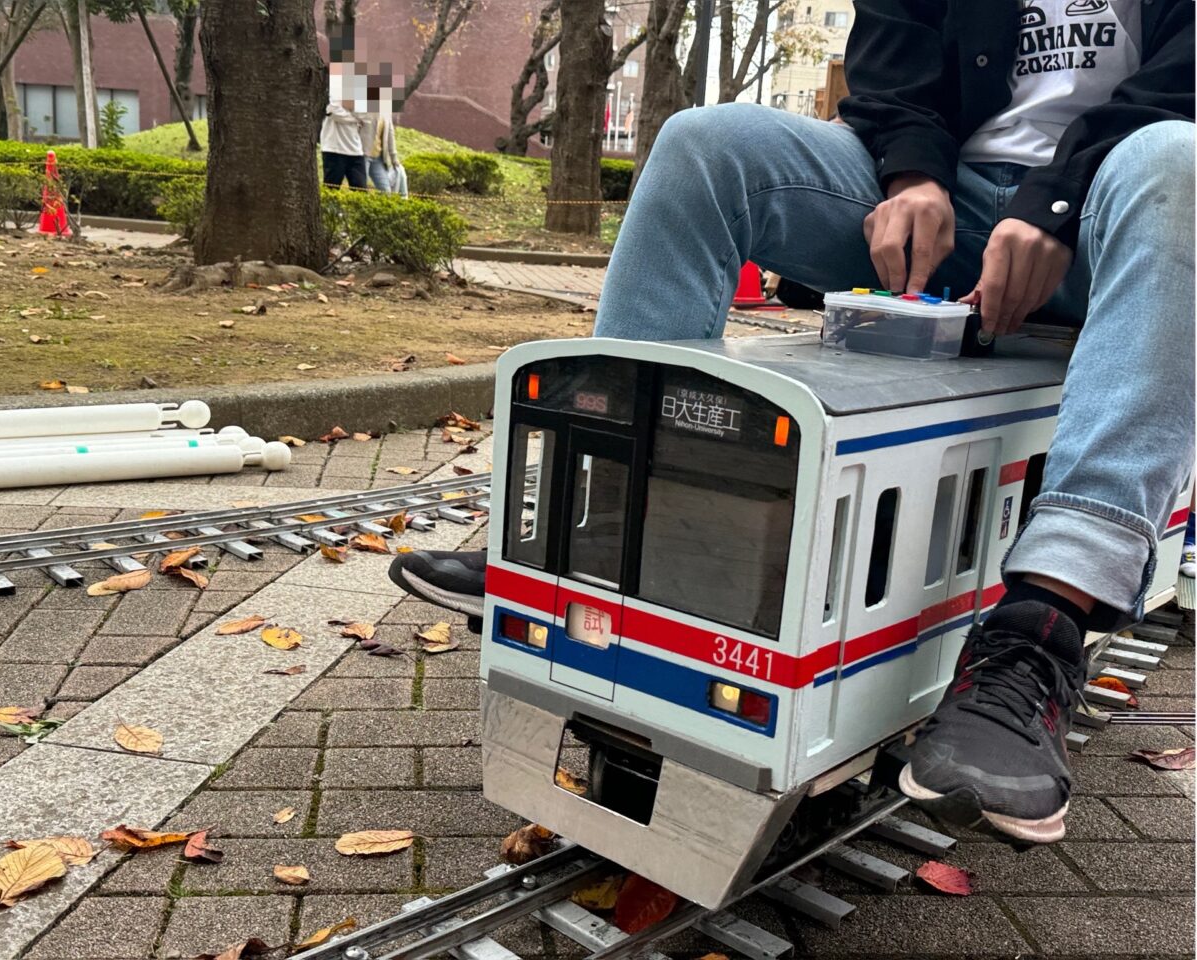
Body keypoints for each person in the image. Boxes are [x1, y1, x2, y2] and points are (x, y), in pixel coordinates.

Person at [390, 0, 1194, 842]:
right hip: (948, 197)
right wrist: (909, 177)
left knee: (1185, 162)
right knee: (708, 144)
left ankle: (1037, 639)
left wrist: (1056, 203)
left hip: (1117, 206)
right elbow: (892, 66)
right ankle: (591, 531)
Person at [322, 100, 367, 190]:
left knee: (360, 189)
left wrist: (348, 108)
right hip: (334, 148)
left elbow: (365, 116)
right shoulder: (337, 90)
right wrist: (355, 119)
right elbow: (332, 110)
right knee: (331, 188)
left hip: (355, 149)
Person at [360, 108, 401, 193]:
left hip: (378, 158)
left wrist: (394, 158)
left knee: (386, 191)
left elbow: (390, 135)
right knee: (361, 188)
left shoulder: (385, 112)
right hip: (363, 155)